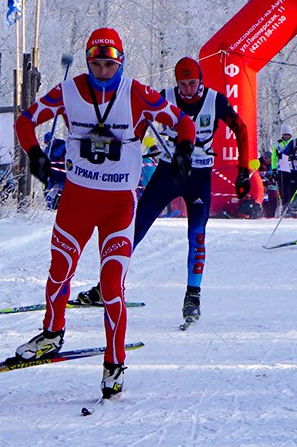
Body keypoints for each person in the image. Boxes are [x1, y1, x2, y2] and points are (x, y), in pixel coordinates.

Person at [14, 28, 195, 400]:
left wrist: (183, 153)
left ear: (121, 62)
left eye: (109, 64)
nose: (101, 71)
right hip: (77, 201)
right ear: (87, 61)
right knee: (59, 268)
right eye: (95, 63)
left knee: (112, 285)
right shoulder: (68, 91)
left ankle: (114, 364)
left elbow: (184, 123)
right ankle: (52, 333)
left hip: (118, 206)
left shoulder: (138, 93)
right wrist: (35, 156)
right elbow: (24, 121)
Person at [71, 57, 246, 328]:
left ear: (200, 80)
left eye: (193, 83)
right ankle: (104, 287)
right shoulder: (165, 97)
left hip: (198, 175)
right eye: (183, 84)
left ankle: (193, 296)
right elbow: (137, 127)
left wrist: (244, 169)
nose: (188, 90)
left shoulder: (215, 99)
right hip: (168, 171)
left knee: (197, 235)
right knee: (133, 228)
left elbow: (241, 129)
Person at [271, 123, 297, 219]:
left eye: (288, 135)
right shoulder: (278, 143)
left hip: (292, 168)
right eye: (285, 134)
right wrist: (274, 168)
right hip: (283, 168)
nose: (286, 136)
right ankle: (285, 207)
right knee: (285, 189)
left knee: (296, 188)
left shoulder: (293, 142)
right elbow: (274, 157)